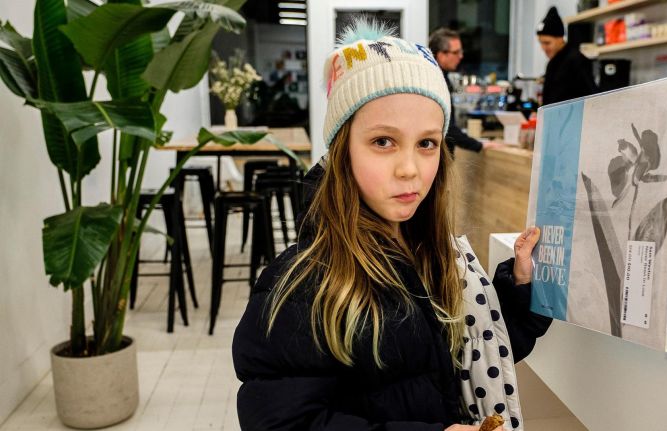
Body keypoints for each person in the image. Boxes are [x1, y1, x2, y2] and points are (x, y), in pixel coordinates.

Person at [233, 19, 551, 431]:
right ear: (342, 150)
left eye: (427, 143)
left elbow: (470, 357)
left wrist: (521, 289)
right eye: (383, 141)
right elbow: (284, 422)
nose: (409, 169)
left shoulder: (439, 256)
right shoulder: (301, 286)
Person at [428, 28, 501, 156]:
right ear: (441, 55)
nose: (461, 56)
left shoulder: (440, 77)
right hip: (436, 156)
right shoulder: (435, 81)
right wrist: (478, 145)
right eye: (456, 52)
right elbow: (446, 126)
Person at [537, 7, 597, 106]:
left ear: (560, 39)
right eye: (541, 43)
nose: (543, 48)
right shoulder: (551, 63)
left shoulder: (577, 60)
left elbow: (592, 96)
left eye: (547, 43)